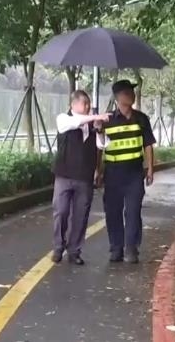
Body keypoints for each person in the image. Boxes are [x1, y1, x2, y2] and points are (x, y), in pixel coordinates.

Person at [95, 80, 156, 264]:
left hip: (134, 174)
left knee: (133, 211)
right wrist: (98, 171)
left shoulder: (141, 119)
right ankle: (116, 248)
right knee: (113, 212)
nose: (131, 95)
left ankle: (131, 248)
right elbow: (99, 148)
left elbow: (148, 144)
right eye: (127, 92)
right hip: (113, 173)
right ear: (118, 97)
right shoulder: (107, 121)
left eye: (132, 92)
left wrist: (150, 168)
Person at [51, 90, 111, 265]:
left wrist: (99, 129)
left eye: (88, 104)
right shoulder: (64, 119)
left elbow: (103, 144)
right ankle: (58, 247)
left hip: (84, 177)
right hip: (64, 175)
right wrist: (95, 117)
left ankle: (74, 250)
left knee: (81, 215)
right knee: (61, 211)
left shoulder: (92, 124)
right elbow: (74, 123)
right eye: (84, 103)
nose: (87, 107)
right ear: (73, 104)